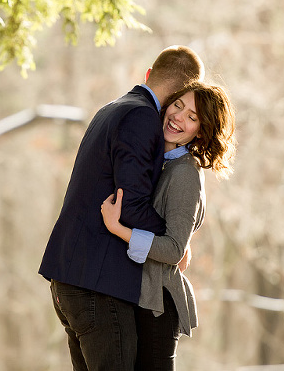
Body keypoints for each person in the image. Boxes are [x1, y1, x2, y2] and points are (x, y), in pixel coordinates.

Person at [39, 46, 205, 371]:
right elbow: (128, 204)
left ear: (148, 74)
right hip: (98, 287)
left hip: (71, 278)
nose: (178, 117)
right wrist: (173, 242)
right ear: (178, 94)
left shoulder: (112, 108)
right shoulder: (142, 117)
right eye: (179, 106)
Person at [101, 81, 236, 370]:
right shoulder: (163, 163)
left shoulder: (185, 172)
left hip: (159, 305)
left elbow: (174, 249)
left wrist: (118, 229)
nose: (179, 117)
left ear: (201, 130)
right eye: (178, 106)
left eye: (192, 117)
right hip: (146, 298)